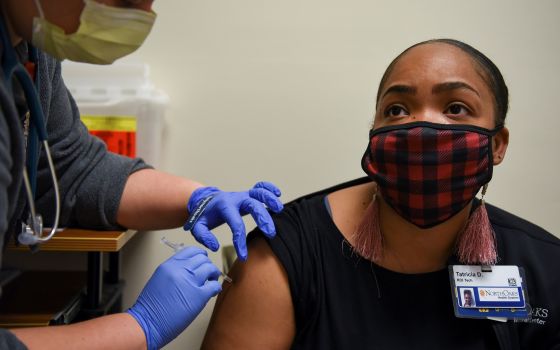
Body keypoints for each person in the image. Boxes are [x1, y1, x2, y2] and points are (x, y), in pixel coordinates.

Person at [201, 39, 560, 349]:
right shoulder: (284, 256)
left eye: (455, 108)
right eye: (397, 110)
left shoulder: (546, 270)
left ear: (496, 144)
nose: (424, 127)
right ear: (374, 136)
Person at [0, 0, 283, 349]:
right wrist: (140, 326)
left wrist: (197, 198)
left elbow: (69, 165)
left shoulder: (31, 47)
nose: (135, 18)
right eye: (124, 2)